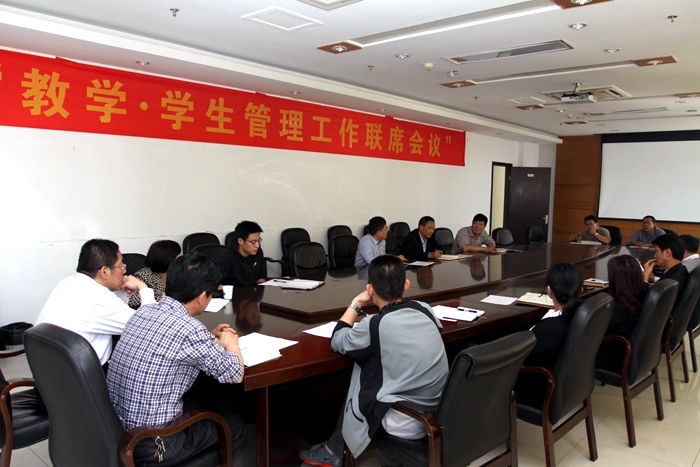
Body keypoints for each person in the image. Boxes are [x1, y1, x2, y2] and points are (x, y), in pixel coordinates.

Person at [299, 255, 448, 466]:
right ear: (406, 285)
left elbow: (337, 340)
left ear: (370, 289)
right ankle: (336, 448)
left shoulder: (374, 325)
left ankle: (335, 451)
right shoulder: (424, 308)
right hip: (436, 410)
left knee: (363, 366)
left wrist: (356, 303)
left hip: (407, 420)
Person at [107, 253, 246, 466]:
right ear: (202, 296)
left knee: (209, 398)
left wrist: (210, 339)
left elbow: (170, 343)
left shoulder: (144, 311)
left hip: (119, 429)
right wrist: (232, 343)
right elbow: (235, 374)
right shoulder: (189, 329)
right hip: (154, 443)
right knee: (234, 424)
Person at [35, 239, 156, 365]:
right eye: (121, 266)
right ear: (104, 271)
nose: (124, 271)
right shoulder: (100, 300)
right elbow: (152, 327)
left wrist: (121, 293)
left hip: (50, 370)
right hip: (87, 374)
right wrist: (143, 288)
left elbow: (105, 314)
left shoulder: (67, 283)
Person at [514, 262, 583, 405]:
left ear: (550, 291)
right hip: (567, 386)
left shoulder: (551, 328)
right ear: (581, 290)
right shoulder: (580, 317)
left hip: (535, 390)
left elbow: (519, 355)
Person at [595, 255, 648, 372]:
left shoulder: (619, 308)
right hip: (637, 352)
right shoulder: (644, 294)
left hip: (615, 357)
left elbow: (594, 331)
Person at [128, 239, 181, 309]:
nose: (180, 260)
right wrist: (162, 299)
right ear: (167, 259)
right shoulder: (144, 275)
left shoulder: (178, 274)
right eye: (178, 257)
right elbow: (133, 301)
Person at [216, 220, 267, 286]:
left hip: (253, 291)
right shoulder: (226, 257)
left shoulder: (258, 252)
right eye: (253, 242)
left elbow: (261, 277)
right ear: (240, 241)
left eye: (259, 240)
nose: (257, 245)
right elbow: (215, 283)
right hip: (234, 291)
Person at [642, 233, 689, 301]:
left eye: (656, 251)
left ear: (667, 253)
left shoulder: (670, 283)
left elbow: (647, 301)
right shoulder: (681, 271)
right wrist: (652, 278)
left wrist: (645, 278)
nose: (654, 256)